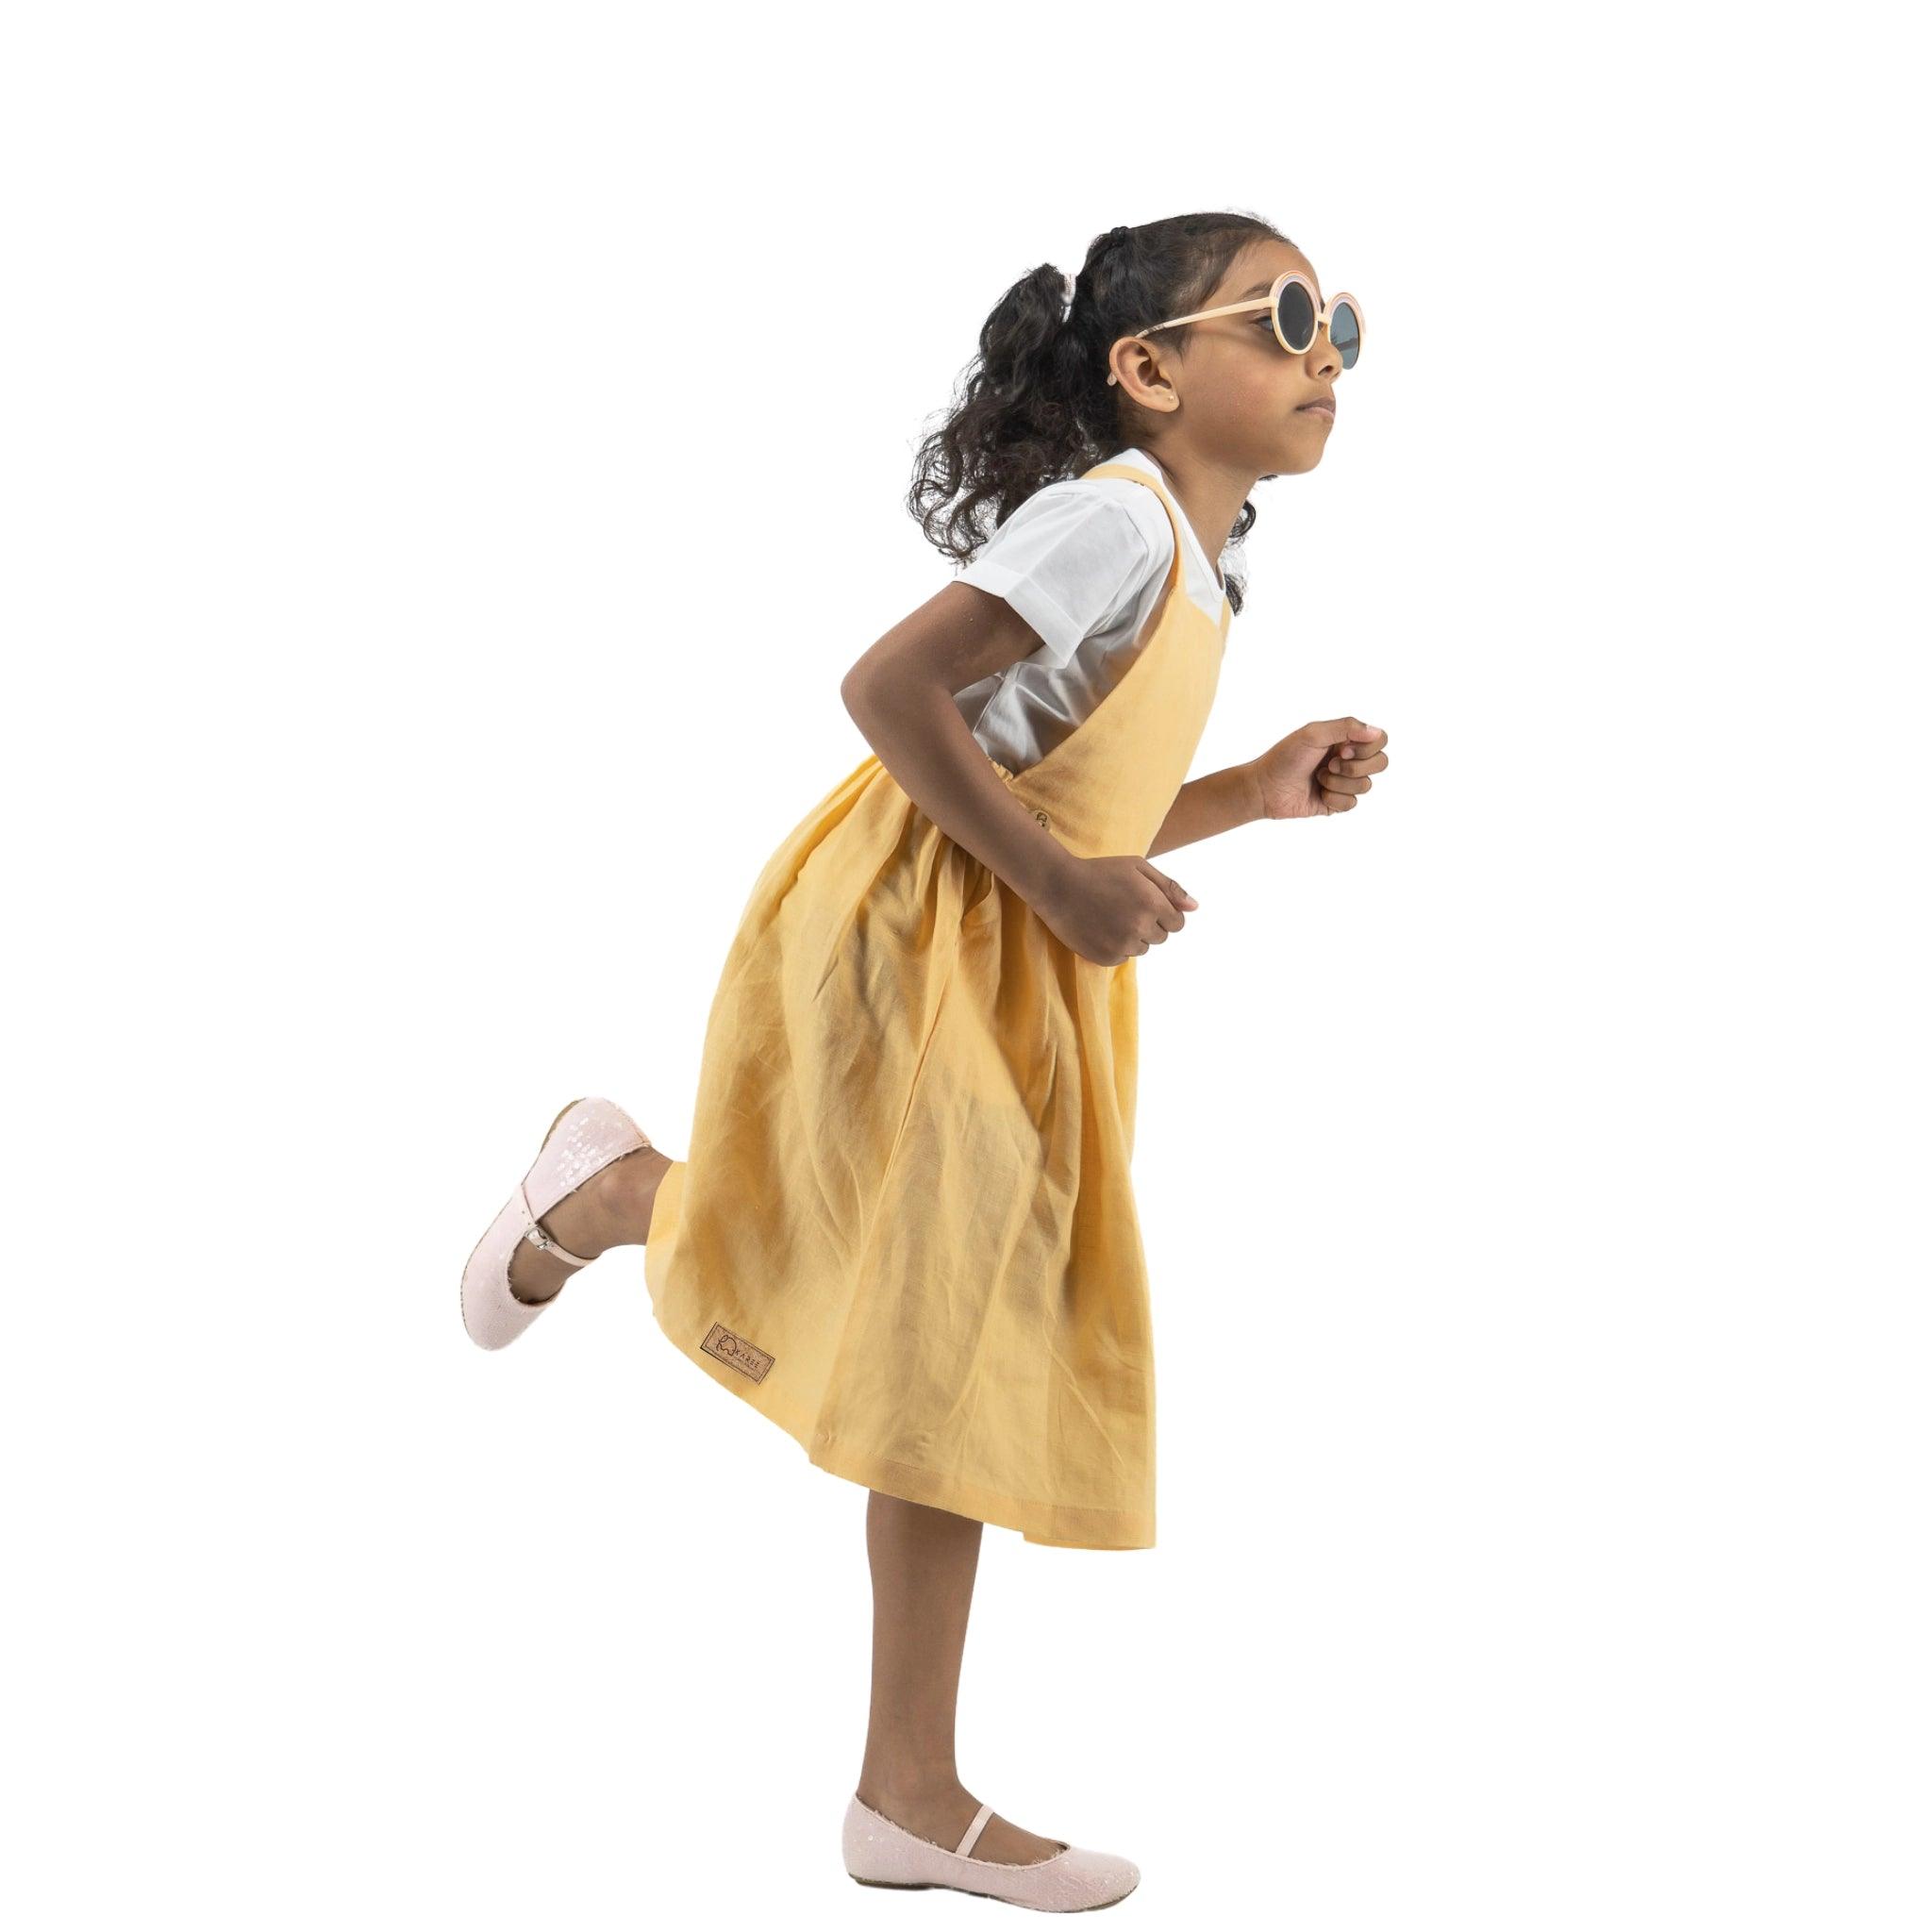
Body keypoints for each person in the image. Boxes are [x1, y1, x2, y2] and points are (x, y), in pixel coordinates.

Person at [458, 210, 1388, 1912]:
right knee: (932, 1329)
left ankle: (608, 1195)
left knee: (928, 1314)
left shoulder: (1203, 558)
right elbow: (889, 689)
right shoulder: (1114, 524)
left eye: (1343, 323)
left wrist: (1248, 792)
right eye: (1287, 314)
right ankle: (907, 1789)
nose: (1326, 349)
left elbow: (1078, 802)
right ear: (1153, 371)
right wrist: (1057, 886)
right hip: (917, 926)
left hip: (1012, 940)